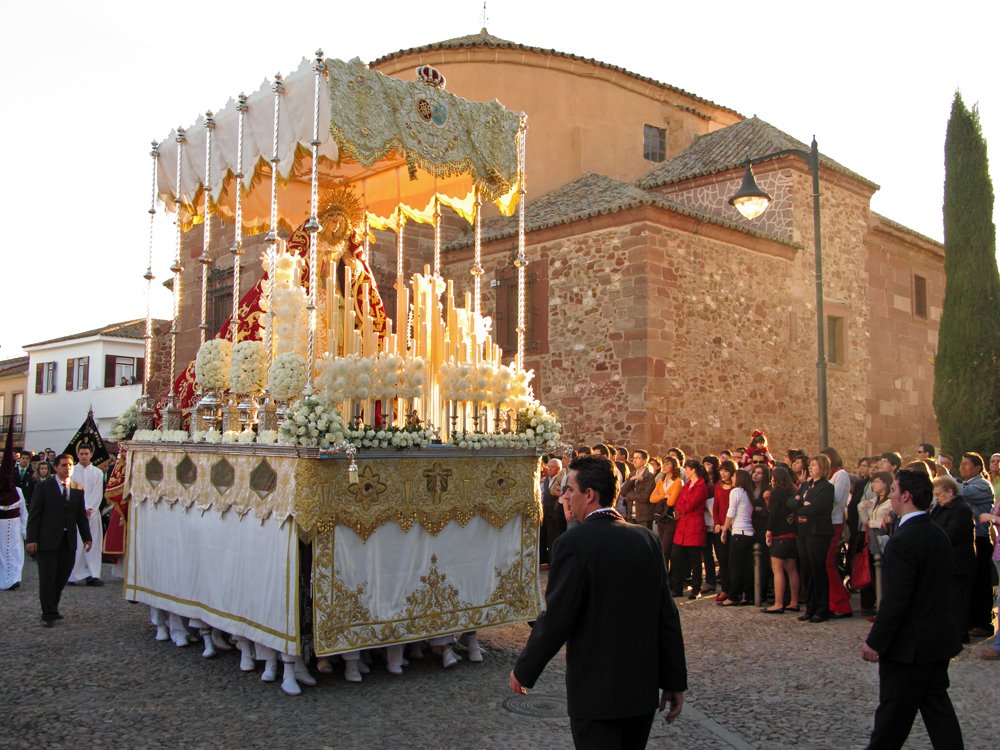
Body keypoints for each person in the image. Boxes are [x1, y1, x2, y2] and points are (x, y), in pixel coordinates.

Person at [510, 455, 687, 749]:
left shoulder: (573, 544)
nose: (566, 496)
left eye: (570, 489)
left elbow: (558, 618)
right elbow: (666, 615)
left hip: (596, 692)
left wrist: (524, 669)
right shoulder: (646, 539)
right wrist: (674, 680)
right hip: (639, 692)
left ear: (589, 494)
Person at [861, 468, 964, 750]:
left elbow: (896, 600)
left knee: (892, 717)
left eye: (894, 491)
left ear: (905, 496)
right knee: (937, 711)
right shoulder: (937, 534)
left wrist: (875, 641)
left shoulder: (904, 541)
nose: (891, 496)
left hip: (910, 647)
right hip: (936, 640)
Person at [25, 453, 92, 627]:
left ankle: (52, 605)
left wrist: (87, 537)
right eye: (63, 465)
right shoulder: (44, 487)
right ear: (56, 468)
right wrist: (31, 539)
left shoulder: (77, 488)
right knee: (47, 577)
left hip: (67, 540)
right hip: (46, 540)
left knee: (62, 575)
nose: (67, 468)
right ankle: (49, 612)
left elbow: (80, 517)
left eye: (70, 465)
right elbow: (34, 514)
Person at [929, 474, 976, 644]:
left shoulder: (961, 509)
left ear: (950, 491)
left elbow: (951, 533)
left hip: (958, 563)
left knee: (958, 601)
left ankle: (959, 633)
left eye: (940, 495)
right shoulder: (940, 508)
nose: (937, 499)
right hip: (944, 562)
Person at [958, 452, 996, 638]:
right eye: (961, 464)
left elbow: (962, 493)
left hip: (980, 538)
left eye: (966, 464)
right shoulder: (964, 483)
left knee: (981, 582)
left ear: (977, 468)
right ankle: (971, 620)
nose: (962, 467)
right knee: (971, 583)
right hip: (968, 540)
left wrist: (944, 476)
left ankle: (983, 622)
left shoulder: (981, 484)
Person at [794, 454, 834, 623]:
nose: (810, 468)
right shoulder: (806, 486)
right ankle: (810, 608)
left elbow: (816, 508)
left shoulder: (827, 487)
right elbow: (791, 503)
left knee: (818, 570)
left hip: (817, 532)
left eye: (814, 466)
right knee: (807, 570)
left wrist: (801, 504)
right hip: (803, 531)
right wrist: (802, 504)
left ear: (822, 468)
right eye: (810, 465)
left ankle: (822, 608)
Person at [763, 466, 800, 613]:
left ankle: (778, 603)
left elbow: (774, 514)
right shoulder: (793, 491)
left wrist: (769, 531)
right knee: (792, 569)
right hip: (792, 534)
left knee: (777, 569)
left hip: (780, 535)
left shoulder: (776, 493)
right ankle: (794, 601)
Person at [670, 460, 709, 599]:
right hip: (683, 525)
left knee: (695, 560)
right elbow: (680, 502)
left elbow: (690, 505)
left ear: (692, 470)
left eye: (687, 469)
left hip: (694, 525)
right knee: (676, 556)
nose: (685, 472)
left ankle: (696, 588)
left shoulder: (701, 486)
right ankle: (677, 587)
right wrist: (682, 507)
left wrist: (682, 507)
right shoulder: (688, 485)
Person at [68, 443, 105, 586]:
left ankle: (93, 574)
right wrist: (80, 508)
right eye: (81, 453)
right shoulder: (72, 472)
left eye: (86, 454)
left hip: (92, 514)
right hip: (75, 514)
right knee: (76, 543)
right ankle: (72, 574)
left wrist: (89, 508)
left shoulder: (98, 473)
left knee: (93, 544)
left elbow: (98, 493)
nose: (84, 456)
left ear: (91, 455)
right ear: (77, 455)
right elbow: (71, 491)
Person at [718, 469, 755, 607]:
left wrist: (724, 529)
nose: (732, 479)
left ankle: (733, 596)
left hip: (739, 532)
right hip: (749, 533)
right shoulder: (748, 493)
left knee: (734, 566)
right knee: (746, 566)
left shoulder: (736, 492)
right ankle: (749, 595)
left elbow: (731, 512)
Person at [620, 449, 657, 528]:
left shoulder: (650, 476)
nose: (634, 460)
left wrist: (629, 496)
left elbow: (645, 497)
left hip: (644, 515)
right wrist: (632, 479)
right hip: (631, 513)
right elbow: (623, 492)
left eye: (638, 458)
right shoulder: (632, 474)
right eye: (634, 458)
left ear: (644, 461)